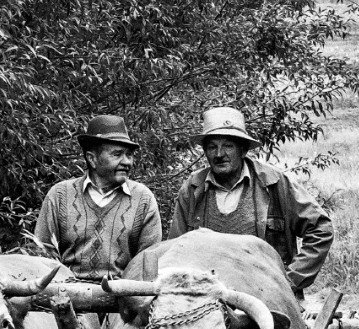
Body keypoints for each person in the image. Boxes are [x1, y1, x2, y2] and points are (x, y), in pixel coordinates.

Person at [169, 107, 333, 296]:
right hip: (206, 299)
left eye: (228, 145)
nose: (219, 154)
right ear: (205, 151)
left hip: (269, 297)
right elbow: (175, 249)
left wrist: (289, 281)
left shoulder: (273, 182)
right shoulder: (193, 188)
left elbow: (321, 228)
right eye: (212, 146)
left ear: (243, 149)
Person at [34, 114, 163, 280]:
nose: (127, 162)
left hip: (123, 296)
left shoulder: (143, 198)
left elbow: (148, 261)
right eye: (117, 154)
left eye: (129, 155)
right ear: (92, 159)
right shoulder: (59, 195)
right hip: (64, 293)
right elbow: (43, 255)